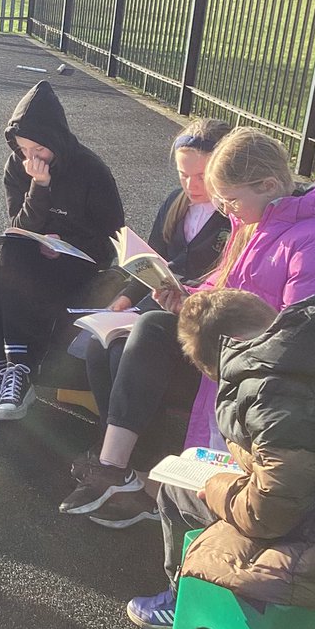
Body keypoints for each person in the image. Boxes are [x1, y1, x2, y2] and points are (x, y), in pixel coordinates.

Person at [59, 127, 315, 527]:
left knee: (148, 331)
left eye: (231, 200)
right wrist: (187, 296)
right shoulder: (256, 222)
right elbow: (223, 286)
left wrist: (210, 316)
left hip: (258, 374)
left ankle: (118, 471)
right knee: (121, 340)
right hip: (230, 356)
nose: (227, 211)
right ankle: (126, 473)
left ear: (269, 185)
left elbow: (308, 337)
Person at [127, 287, 315, 629]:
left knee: (175, 492)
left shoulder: (269, 389)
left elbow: (275, 511)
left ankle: (181, 600)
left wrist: (219, 488)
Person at [80, 119, 232, 481]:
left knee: (124, 353)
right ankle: (114, 444)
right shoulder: (175, 203)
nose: (191, 185)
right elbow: (149, 258)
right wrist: (124, 297)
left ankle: (139, 457)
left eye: (201, 177)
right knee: (98, 347)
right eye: (183, 175)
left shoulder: (232, 216)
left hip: (192, 319)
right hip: (157, 304)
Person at [0, 80, 125, 421]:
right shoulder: (18, 166)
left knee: (6, 272)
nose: (32, 158)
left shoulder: (91, 170)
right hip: (31, 262)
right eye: (24, 150)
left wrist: (69, 250)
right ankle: (7, 370)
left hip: (79, 266)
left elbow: (113, 238)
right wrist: (39, 186)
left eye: (39, 149)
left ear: (55, 140)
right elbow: (20, 226)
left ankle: (13, 369)